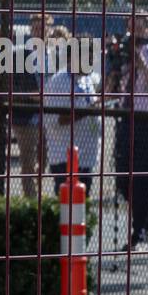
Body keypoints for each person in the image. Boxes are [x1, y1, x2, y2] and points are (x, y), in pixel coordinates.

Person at [107, 11, 148, 247]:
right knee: (123, 177)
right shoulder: (123, 54)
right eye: (130, 27)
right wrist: (114, 67)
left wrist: (140, 62)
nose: (133, 32)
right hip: (126, 120)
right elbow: (111, 91)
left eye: (139, 27)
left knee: (142, 177)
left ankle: (138, 229)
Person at [42, 24, 102, 196]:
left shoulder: (87, 80)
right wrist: (87, 111)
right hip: (65, 157)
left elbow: (89, 103)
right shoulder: (59, 81)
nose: (92, 62)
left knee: (82, 208)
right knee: (67, 208)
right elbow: (55, 121)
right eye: (88, 58)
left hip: (86, 157)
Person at [13, 12, 53, 198]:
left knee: (44, 158)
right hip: (26, 115)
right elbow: (11, 85)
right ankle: (31, 199)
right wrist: (31, 96)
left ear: (49, 30)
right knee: (27, 160)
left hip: (47, 115)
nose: (39, 32)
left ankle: (36, 192)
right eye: (36, 28)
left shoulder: (52, 55)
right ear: (31, 30)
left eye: (43, 28)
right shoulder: (20, 55)